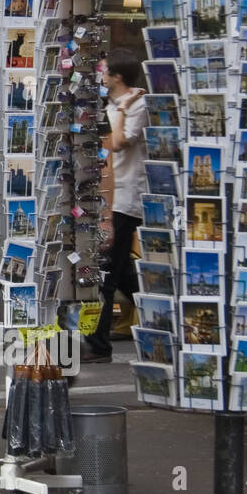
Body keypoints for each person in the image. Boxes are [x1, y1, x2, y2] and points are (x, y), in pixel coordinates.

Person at [83, 48, 147, 363]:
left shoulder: (137, 105)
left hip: (122, 199)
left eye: (105, 70)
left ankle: (98, 345)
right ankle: (159, 322)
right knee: (122, 273)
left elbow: (116, 142)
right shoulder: (113, 104)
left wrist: (122, 109)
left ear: (117, 76)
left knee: (106, 272)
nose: (101, 74)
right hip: (106, 196)